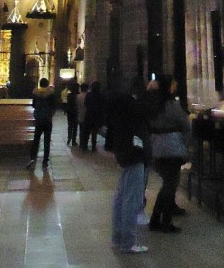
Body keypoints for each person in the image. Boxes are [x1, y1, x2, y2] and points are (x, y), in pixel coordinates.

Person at [107, 84, 151, 254]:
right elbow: (147, 116)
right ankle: (127, 242)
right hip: (135, 155)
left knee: (122, 197)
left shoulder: (118, 113)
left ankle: (117, 238)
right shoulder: (131, 110)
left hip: (125, 154)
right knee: (132, 199)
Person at [147, 75, 191, 233]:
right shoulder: (172, 105)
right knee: (170, 185)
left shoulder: (154, 105)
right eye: (173, 83)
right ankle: (164, 221)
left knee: (167, 184)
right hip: (172, 148)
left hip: (158, 147)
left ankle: (156, 219)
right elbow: (185, 125)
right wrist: (185, 146)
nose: (176, 85)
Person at [27, 76, 57, 169]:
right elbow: (53, 106)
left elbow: (33, 105)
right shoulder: (51, 93)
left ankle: (32, 158)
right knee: (47, 140)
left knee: (36, 139)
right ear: (47, 84)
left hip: (39, 118)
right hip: (47, 118)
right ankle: (45, 161)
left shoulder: (35, 93)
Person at [82, 79, 105, 151]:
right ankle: (93, 146)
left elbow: (85, 103)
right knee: (94, 132)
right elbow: (102, 106)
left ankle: (84, 146)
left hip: (89, 115)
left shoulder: (89, 94)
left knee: (87, 132)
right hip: (96, 116)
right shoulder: (101, 95)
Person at [65, 79, 79, 145]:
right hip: (76, 111)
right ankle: (73, 140)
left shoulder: (69, 95)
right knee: (75, 126)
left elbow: (68, 103)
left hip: (70, 111)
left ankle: (69, 138)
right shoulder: (78, 95)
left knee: (70, 125)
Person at [76, 81, 89, 148]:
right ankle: (85, 143)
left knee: (81, 130)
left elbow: (77, 105)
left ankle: (81, 143)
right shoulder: (89, 95)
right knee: (87, 130)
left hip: (80, 114)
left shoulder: (78, 96)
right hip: (87, 114)